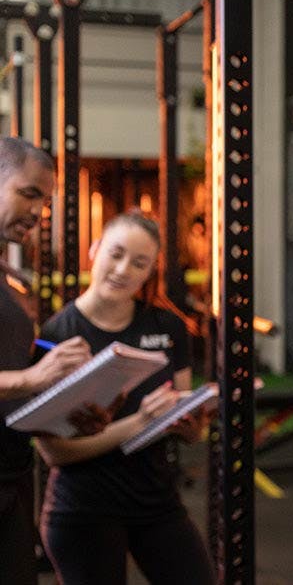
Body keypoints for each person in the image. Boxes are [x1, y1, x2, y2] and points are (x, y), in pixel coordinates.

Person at [34, 212, 216, 585]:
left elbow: (189, 430)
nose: (122, 269)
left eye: (139, 263)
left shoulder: (167, 327)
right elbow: (54, 452)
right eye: (115, 254)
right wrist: (140, 423)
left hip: (157, 501)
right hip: (84, 509)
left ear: (150, 271)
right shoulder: (58, 334)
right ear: (94, 250)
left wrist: (189, 425)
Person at [0, 137, 98, 585]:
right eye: (29, 193)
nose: (39, 212)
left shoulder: (11, 284)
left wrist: (64, 413)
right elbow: (20, 380)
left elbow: (16, 401)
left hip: (12, 484)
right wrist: (31, 378)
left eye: (46, 201)